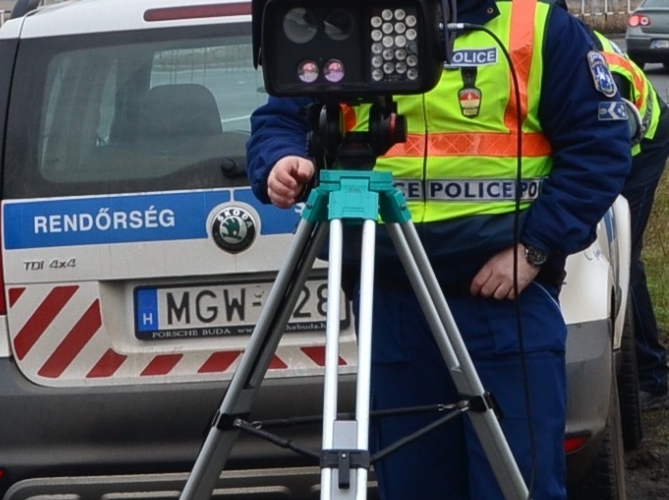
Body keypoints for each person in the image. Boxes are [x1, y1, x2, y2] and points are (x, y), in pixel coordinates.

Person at [246, 0, 633, 498]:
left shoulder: (535, 26)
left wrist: (535, 249)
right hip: (392, 295)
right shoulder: (345, 17)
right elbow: (279, 117)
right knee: (413, 481)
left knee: (518, 482)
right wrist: (281, 160)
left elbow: (599, 146)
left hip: (502, 296)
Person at [586, 25, 669, 410]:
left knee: (622, 256)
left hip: (642, 143)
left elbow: (607, 152)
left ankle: (652, 375)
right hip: (619, 138)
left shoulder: (598, 69)